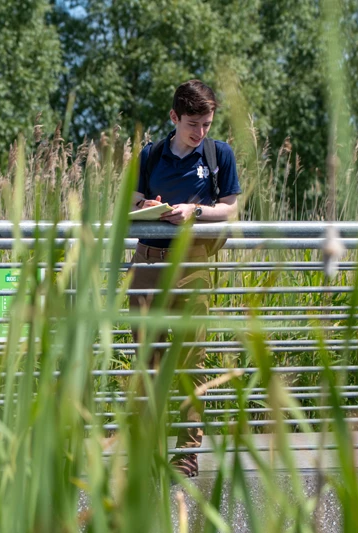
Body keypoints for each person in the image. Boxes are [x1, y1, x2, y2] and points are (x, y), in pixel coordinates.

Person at [129, 79, 241, 478]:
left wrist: (194, 212)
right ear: (174, 117)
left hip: (193, 261)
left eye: (207, 123)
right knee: (146, 355)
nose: (201, 132)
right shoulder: (150, 154)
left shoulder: (218, 154)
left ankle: (186, 454)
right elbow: (132, 201)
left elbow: (229, 209)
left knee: (191, 357)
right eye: (193, 123)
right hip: (148, 259)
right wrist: (147, 205)